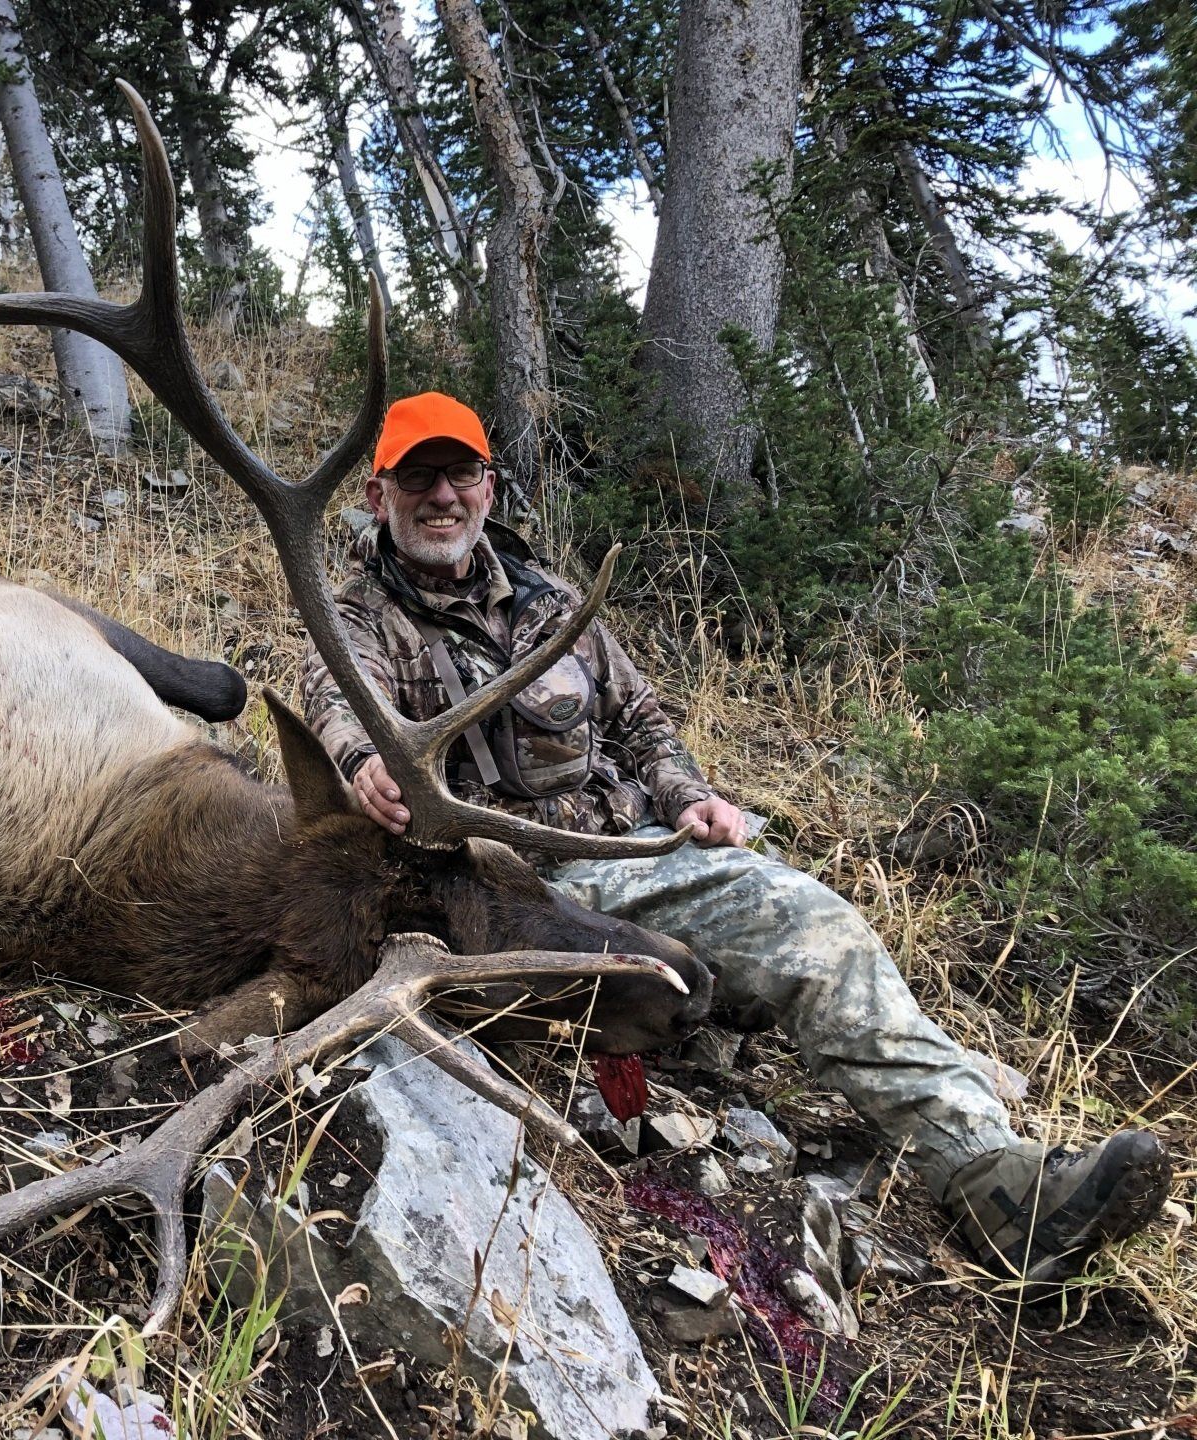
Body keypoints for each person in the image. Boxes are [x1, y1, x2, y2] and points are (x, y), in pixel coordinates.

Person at [297, 391, 1170, 1284]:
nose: (442, 495)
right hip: (510, 892)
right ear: (378, 495)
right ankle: (739, 1007)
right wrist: (364, 760)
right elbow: (335, 703)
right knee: (789, 930)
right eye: (418, 476)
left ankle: (993, 1182)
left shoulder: (552, 598)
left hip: (633, 852)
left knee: (816, 920)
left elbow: (640, 721)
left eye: (461, 473)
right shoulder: (355, 615)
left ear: (490, 486)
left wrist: (688, 797)